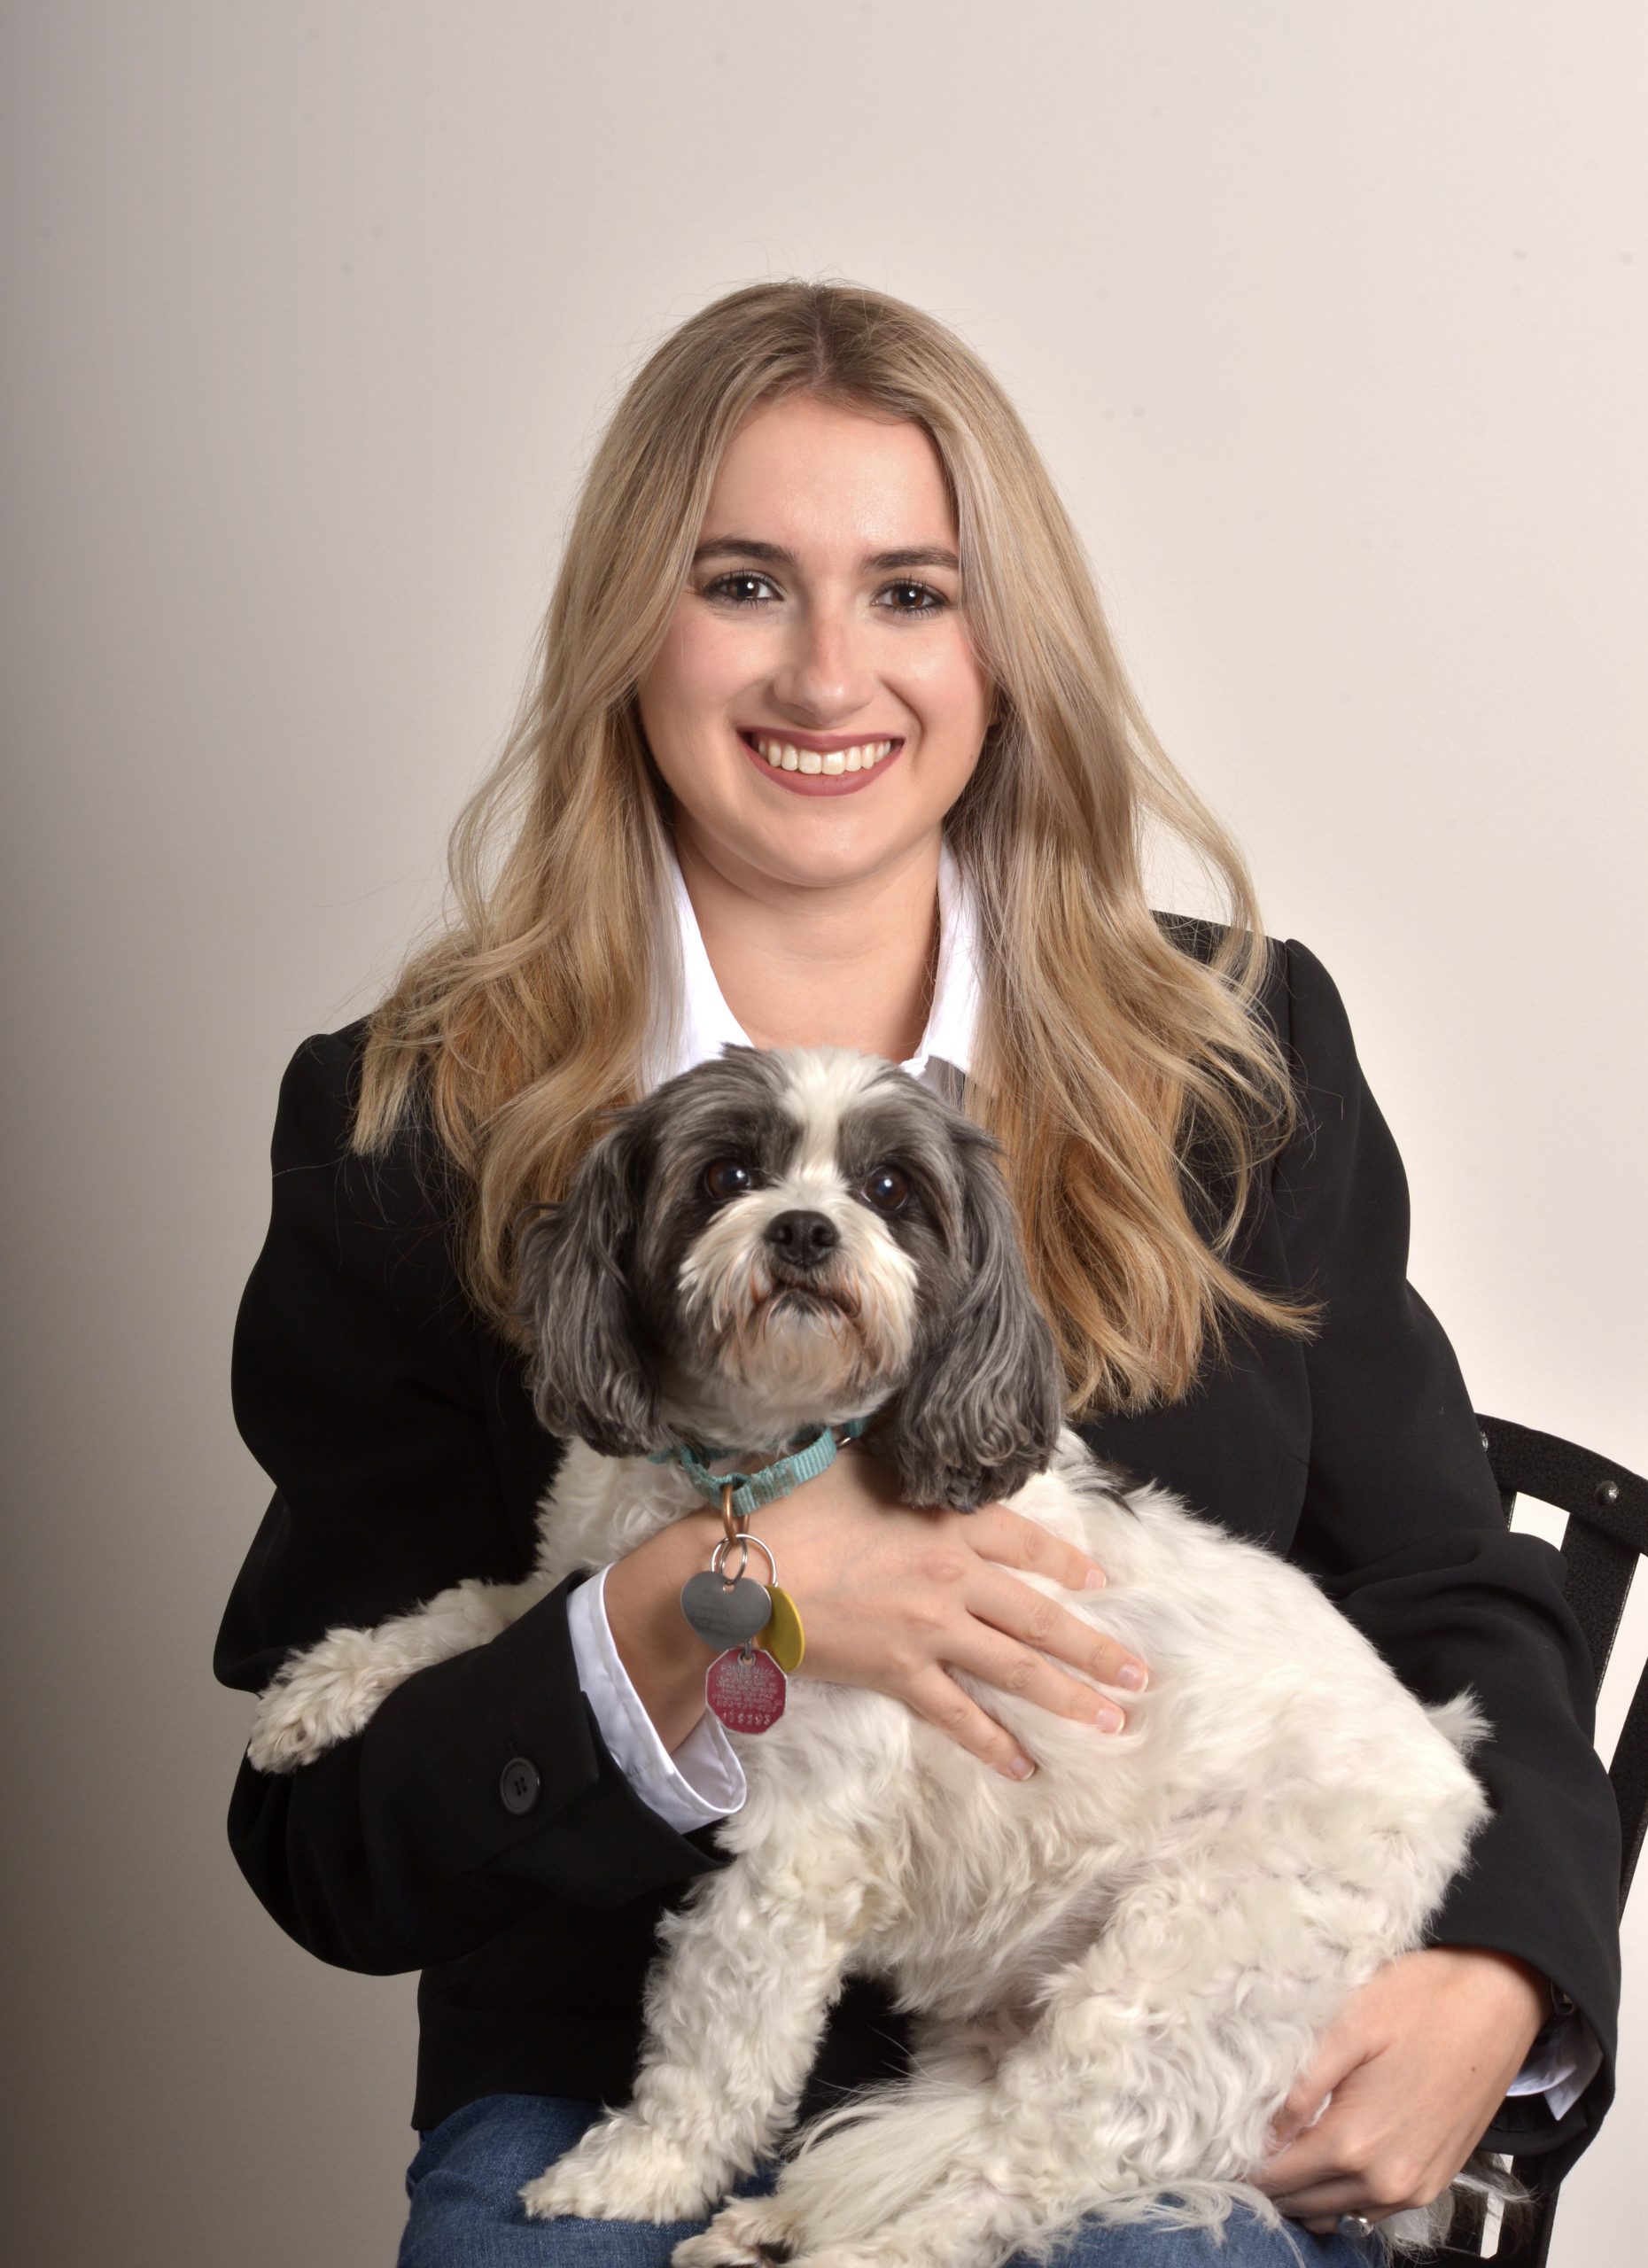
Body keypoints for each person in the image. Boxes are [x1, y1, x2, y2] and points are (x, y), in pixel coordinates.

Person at [214, 282, 1619, 2266]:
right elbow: (328, 1840)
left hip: (1136, 2042)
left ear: (1001, 647)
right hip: (601, 2071)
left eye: (909, 593)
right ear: (628, 630)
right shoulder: (412, 1118)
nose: (824, 673)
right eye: (741, 584)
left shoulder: (1233, 1057)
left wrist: (1503, 1978)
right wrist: (686, 1614)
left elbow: (1446, 1587)